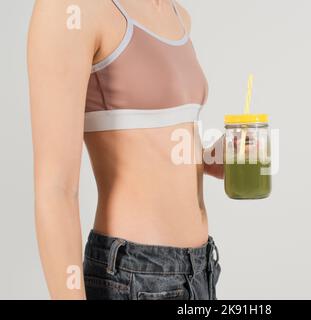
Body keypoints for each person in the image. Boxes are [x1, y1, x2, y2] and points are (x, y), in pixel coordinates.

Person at [28, 0, 223, 300]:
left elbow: (157, 141)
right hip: (134, 276)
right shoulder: (70, 8)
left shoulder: (176, 14)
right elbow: (56, 189)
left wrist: (211, 158)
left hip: (201, 269)